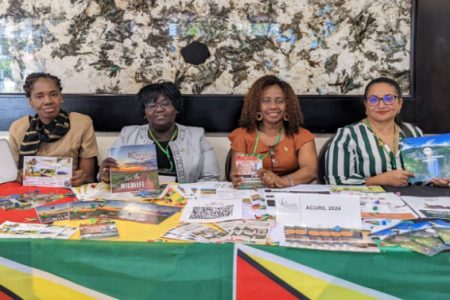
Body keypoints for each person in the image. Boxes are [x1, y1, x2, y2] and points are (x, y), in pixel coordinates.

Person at [324, 77, 450, 187]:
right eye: (373, 100)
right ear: (365, 105)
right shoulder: (347, 136)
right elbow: (334, 181)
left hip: (412, 203)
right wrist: (378, 180)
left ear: (400, 103)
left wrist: (437, 181)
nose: (381, 105)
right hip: (368, 206)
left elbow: (424, 175)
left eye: (389, 99)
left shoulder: (413, 132)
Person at [99, 82, 220, 183]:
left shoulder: (196, 136)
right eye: (151, 105)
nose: (159, 109)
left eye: (166, 104)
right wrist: (106, 176)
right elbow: (106, 176)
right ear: (144, 112)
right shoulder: (127, 135)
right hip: (139, 202)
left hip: (184, 201)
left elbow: (211, 178)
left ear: (176, 108)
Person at [8, 72, 98, 186]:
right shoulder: (18, 127)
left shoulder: (81, 123)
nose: (48, 101)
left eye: (54, 94)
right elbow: (12, 174)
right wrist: (18, 175)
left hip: (71, 191)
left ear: (61, 97)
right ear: (30, 101)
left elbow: (89, 177)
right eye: (39, 96)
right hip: (30, 193)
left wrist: (82, 178)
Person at [228, 75, 317, 188]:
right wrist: (237, 179)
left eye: (280, 101)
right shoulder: (242, 135)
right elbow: (234, 174)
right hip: (254, 195)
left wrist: (282, 181)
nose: (273, 106)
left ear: (288, 106)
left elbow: (310, 171)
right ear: (257, 106)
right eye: (266, 101)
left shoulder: (302, 136)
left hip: (291, 196)